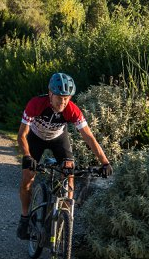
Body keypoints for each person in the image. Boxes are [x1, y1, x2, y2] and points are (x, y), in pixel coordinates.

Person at [17, 72, 111, 240]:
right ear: (50, 94)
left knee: (69, 173)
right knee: (28, 177)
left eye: (66, 98)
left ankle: (65, 220)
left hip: (58, 139)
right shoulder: (36, 104)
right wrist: (27, 156)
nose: (62, 102)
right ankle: (25, 218)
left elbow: (89, 137)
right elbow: (22, 135)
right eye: (59, 98)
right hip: (35, 138)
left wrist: (105, 162)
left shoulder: (72, 110)